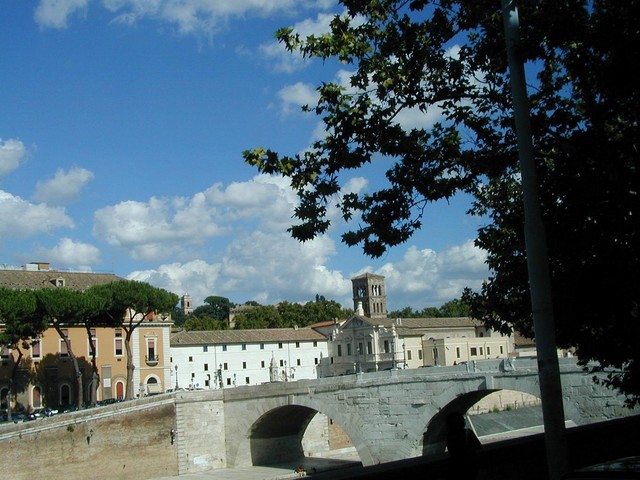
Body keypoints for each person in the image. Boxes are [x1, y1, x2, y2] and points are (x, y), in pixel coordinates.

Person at [445, 411, 482, 479]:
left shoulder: (449, 436)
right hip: (470, 465)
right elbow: (479, 446)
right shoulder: (468, 433)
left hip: (456, 467)